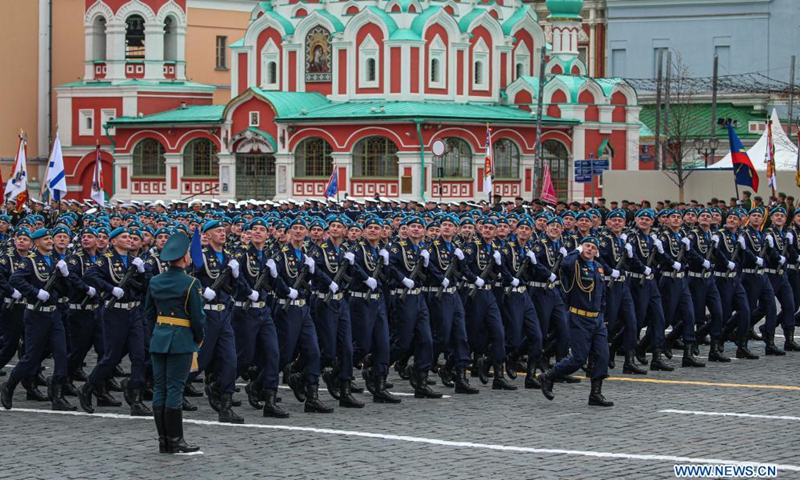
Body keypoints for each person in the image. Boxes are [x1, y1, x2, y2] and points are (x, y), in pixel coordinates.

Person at [145, 232, 205, 454]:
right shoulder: (191, 283)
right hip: (181, 340)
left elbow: (149, 313)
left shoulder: (155, 281)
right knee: (175, 389)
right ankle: (176, 440)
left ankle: (164, 440)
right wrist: (198, 337)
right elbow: (197, 317)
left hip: (159, 338)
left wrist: (158, 332)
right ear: (183, 258)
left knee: (160, 388)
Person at [539, 236, 613, 407]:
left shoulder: (599, 268)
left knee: (602, 356)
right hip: (579, 317)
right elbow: (565, 265)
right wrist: (576, 251)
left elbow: (601, 294)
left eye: (593, 247)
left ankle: (596, 394)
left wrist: (602, 315)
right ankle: (548, 375)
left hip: (597, 319)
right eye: (586, 246)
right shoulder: (575, 265)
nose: (589, 249)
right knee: (578, 359)